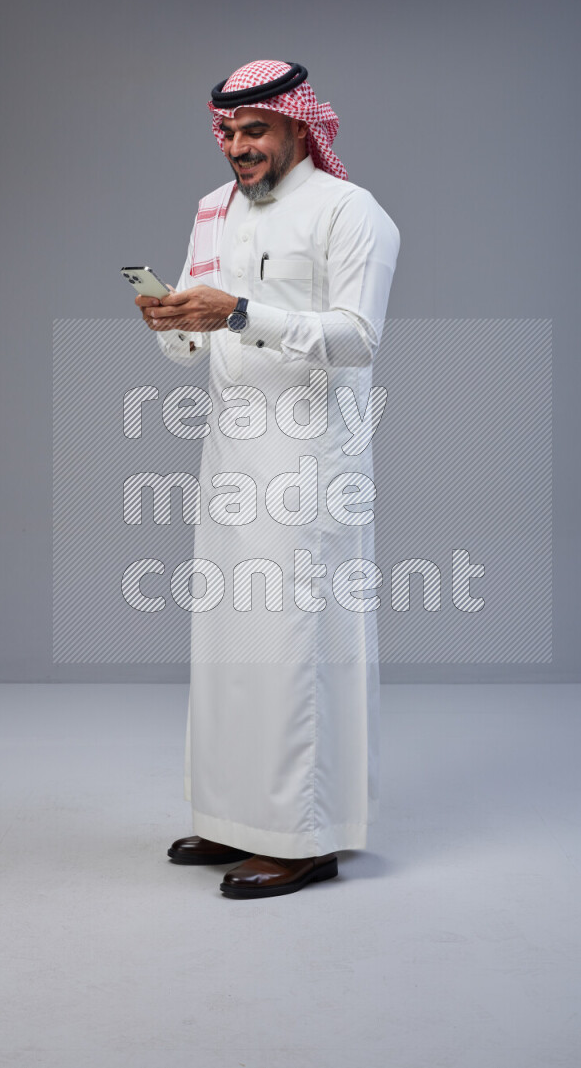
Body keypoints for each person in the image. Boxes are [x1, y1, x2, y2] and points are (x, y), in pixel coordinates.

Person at [134, 60, 399, 898]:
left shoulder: (351, 212)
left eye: (255, 130)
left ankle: (303, 837)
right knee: (228, 646)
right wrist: (171, 319)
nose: (238, 146)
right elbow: (192, 346)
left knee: (293, 646)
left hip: (311, 466)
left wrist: (240, 312)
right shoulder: (213, 210)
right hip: (230, 459)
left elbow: (358, 337)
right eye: (227, 132)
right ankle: (235, 818)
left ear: (297, 125)